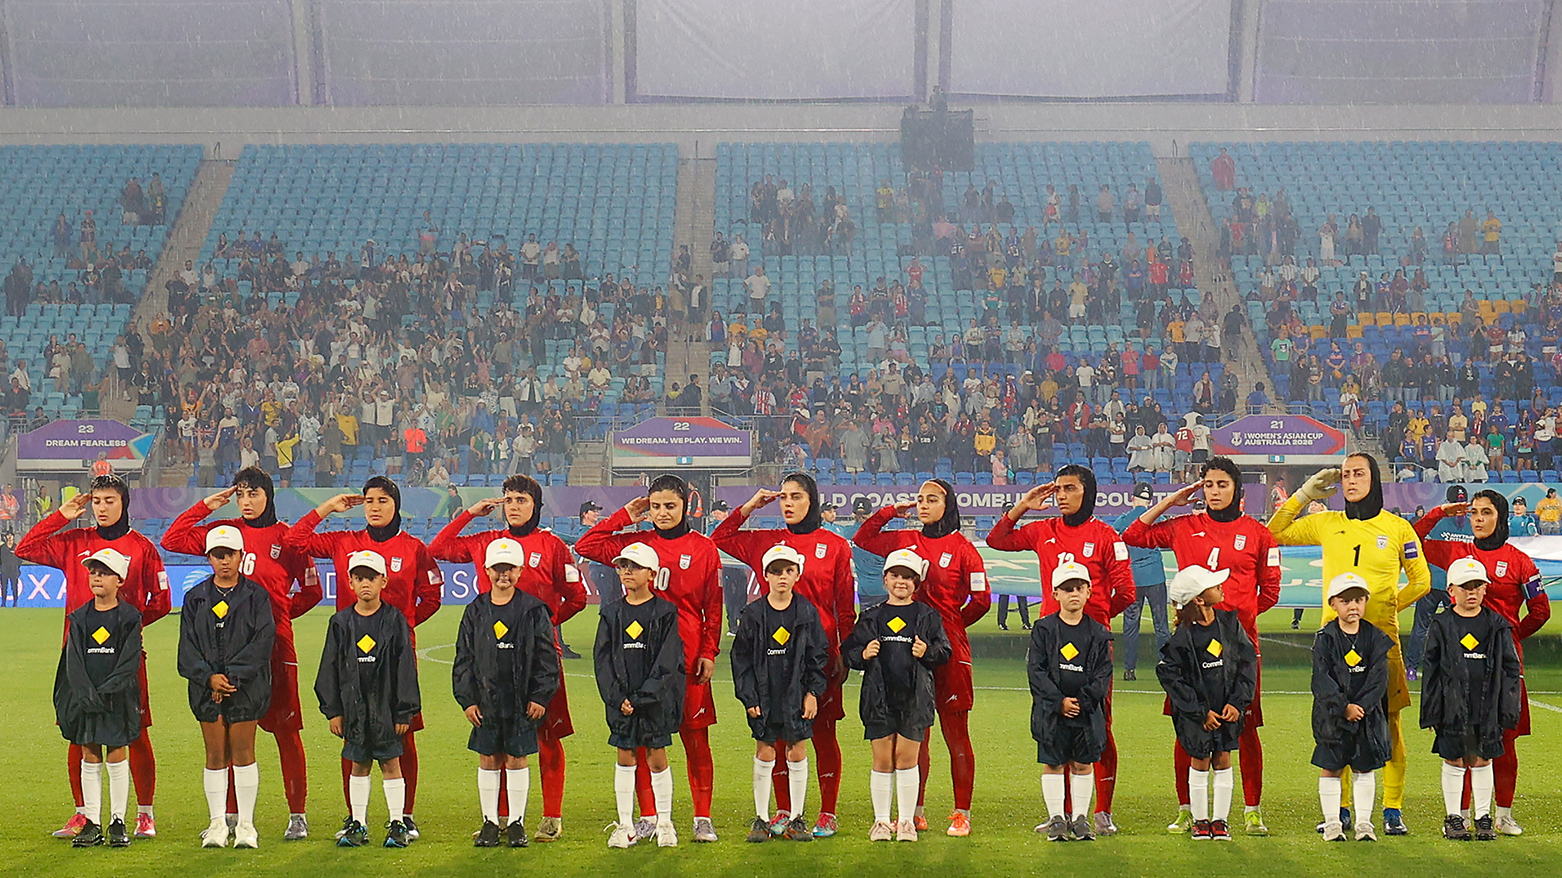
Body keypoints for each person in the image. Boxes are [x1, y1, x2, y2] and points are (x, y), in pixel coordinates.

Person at [1268, 454, 1430, 836]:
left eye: (1359, 473)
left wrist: (1387, 606)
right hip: (1334, 644)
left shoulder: (1398, 528)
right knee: (1336, 722)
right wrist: (1304, 494)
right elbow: (1273, 532)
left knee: (1388, 724)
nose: (1351, 480)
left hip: (1382, 643)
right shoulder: (1327, 523)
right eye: (1345, 475)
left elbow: (1421, 582)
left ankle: (1392, 808)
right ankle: (1340, 809)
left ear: (1376, 478)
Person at [1123, 457, 1281, 835]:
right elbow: (1133, 535)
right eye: (1208, 484)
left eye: (1221, 484)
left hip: (1239, 650)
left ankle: (1252, 809)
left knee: (1244, 727)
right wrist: (1170, 501)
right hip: (1191, 650)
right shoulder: (1183, 526)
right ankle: (1186, 809)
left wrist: (1231, 627)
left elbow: (1271, 592)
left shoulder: (1259, 534)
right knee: (1189, 727)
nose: (1214, 491)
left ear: (1237, 489)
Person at [161, 468, 322, 840]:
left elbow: (312, 590)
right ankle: (230, 815)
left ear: (268, 495)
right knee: (231, 734)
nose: (246, 502)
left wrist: (274, 614)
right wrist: (206, 505)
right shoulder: (225, 533)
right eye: (241, 496)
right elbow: (172, 538)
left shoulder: (286, 537)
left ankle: (297, 814)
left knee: (286, 732)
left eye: (254, 494)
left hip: (276, 648)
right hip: (224, 653)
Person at [430, 474, 586, 842]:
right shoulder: (486, 542)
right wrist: (470, 512)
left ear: (536, 505)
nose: (514, 506)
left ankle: (551, 816)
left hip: (538, 664)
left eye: (522, 500)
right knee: (495, 740)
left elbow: (576, 597)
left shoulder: (552, 546)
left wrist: (544, 629)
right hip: (491, 664)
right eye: (509, 499)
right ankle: (499, 818)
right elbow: (438, 547)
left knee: (547, 738)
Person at [285, 476, 442, 841]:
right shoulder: (345, 542)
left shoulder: (414, 548)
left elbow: (432, 595)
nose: (374, 506)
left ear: (396, 505)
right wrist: (327, 507)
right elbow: (294, 542)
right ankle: (354, 817)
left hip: (395, 659)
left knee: (404, 736)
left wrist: (402, 630)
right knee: (352, 738)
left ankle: (405, 815)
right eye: (369, 500)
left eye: (383, 500)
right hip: (350, 658)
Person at [21, 474, 169, 839]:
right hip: (76, 658)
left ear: (124, 504)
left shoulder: (142, 547)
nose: (102, 507)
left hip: (125, 660)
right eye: (97, 501)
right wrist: (62, 515)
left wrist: (129, 628)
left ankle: (144, 814)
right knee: (78, 732)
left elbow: (162, 601)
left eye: (109, 500)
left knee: (135, 732)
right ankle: (83, 814)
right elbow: (25, 548)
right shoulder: (74, 541)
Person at [576, 475, 723, 843]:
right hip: (638, 660)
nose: (661, 513)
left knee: (694, 737)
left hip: (685, 659)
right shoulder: (636, 545)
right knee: (641, 738)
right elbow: (587, 543)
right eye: (655, 506)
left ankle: (702, 817)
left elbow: (714, 608)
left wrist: (708, 651)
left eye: (670, 506)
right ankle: (647, 816)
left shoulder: (703, 549)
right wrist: (625, 515)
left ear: (685, 506)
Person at [986, 466, 1133, 835]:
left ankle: (1101, 811)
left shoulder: (1105, 535)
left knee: (1098, 726)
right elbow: (997, 539)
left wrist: (1093, 625)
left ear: (1089, 492)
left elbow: (1127, 592)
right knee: (1054, 725)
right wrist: (1023, 506)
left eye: (1070, 489)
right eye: (1058, 490)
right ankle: (1061, 814)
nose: (1061, 496)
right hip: (1050, 646)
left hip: (1091, 648)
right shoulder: (1044, 530)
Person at [712, 474, 855, 837]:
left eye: (796, 497)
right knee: (774, 735)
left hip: (816, 659)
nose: (787, 504)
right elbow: (720, 538)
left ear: (813, 501)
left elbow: (843, 606)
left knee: (822, 733)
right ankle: (783, 810)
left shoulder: (835, 546)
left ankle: (826, 811)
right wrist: (748, 507)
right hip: (770, 658)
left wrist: (843, 650)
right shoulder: (766, 542)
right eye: (783, 498)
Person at [853, 480, 989, 837]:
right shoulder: (904, 540)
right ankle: (916, 811)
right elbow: (863, 539)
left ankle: (962, 813)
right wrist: (888, 513)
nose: (923, 505)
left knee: (956, 733)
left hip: (949, 653)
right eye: (920, 500)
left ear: (949, 504)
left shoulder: (963, 548)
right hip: (907, 654)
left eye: (932, 499)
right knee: (918, 733)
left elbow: (982, 599)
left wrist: (951, 626)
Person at [1412, 490, 1549, 835]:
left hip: (1502, 668)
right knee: (1461, 739)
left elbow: (1540, 610)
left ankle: (1501, 815)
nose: (1477, 518)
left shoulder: (1520, 561)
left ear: (1500, 518)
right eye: (1473, 512)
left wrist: (1511, 638)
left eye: (1485, 512)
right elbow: (1412, 538)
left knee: (1504, 742)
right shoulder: (1459, 551)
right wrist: (1441, 511)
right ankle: (1457, 816)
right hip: (1460, 666)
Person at [452, 538, 561, 849]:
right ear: (486, 570)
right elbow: (464, 658)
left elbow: (546, 657)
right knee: (488, 758)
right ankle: (489, 822)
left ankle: (516, 823)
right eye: (498, 568)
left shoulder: (533, 609)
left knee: (516, 759)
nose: (504, 574)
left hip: (521, 701)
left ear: (520, 570)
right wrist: (468, 699)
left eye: (509, 568)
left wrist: (540, 696)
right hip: (485, 701)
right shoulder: (476, 610)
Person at [313, 550, 421, 849]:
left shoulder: (394, 619)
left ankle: (397, 823)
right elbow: (329, 668)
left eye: (371, 578)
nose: (365, 584)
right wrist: (333, 711)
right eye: (359, 578)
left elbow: (405, 668)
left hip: (386, 709)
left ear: (383, 581)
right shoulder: (340, 622)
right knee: (358, 764)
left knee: (391, 763)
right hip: (354, 710)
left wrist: (404, 712)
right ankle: (358, 824)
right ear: (349, 581)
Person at [842, 548, 951, 842]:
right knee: (882, 760)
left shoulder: (927, 615)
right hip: (878, 697)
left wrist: (927, 652)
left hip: (915, 697)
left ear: (916, 582)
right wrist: (863, 654)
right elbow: (849, 652)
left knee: (906, 759)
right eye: (895, 576)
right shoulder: (872, 616)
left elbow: (944, 651)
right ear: (885, 579)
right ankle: (880, 822)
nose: (901, 581)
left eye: (908, 577)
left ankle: (905, 822)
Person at [178, 526, 276, 849]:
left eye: (229, 555)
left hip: (246, 688)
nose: (224, 562)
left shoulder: (257, 596)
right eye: (217, 556)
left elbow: (263, 642)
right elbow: (187, 649)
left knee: (244, 752)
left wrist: (230, 677)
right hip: (206, 689)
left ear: (241, 556)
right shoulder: (195, 598)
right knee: (215, 754)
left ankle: (246, 826)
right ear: (209, 558)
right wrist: (209, 678)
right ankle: (217, 824)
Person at [1420, 558, 1523, 841]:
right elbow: (1431, 669)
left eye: (1477, 586)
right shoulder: (1441, 624)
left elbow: (1510, 669)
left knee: (1481, 760)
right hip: (1451, 706)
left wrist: (1508, 709)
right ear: (1451, 589)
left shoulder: (1496, 625)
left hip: (1487, 705)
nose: (1472, 592)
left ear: (1486, 589)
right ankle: (1454, 818)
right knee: (1454, 759)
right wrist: (1431, 712)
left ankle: (1483, 818)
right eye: (1465, 587)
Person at [732, 545, 829, 844]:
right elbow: (741, 660)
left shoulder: (806, 612)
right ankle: (761, 819)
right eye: (776, 571)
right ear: (765, 576)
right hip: (763, 694)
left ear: (797, 574)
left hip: (796, 694)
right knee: (765, 750)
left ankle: (797, 818)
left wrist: (813, 692)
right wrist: (749, 698)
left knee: (797, 749)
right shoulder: (753, 613)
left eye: (788, 571)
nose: (782, 577)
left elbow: (818, 656)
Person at [1156, 565, 1257, 842]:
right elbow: (1170, 676)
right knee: (1200, 759)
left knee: (1223, 758)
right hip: (1197, 716)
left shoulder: (1229, 623)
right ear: (1199, 599)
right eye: (1213, 586)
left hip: (1227, 710)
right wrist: (1200, 712)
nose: (1220, 587)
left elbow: (1247, 664)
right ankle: (1201, 821)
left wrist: (1238, 702)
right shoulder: (1181, 638)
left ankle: (1220, 821)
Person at [595, 543, 685, 849]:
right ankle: (625, 825)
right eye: (622, 566)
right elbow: (603, 660)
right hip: (621, 703)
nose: (627, 572)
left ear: (652, 573)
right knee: (625, 757)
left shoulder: (665, 612)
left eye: (634, 566)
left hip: (654, 702)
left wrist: (643, 696)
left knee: (657, 759)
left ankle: (665, 823)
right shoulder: (610, 613)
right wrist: (617, 697)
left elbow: (668, 660)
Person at [53, 548, 142, 848]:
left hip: (118, 699)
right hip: (87, 700)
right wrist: (86, 694)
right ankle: (92, 822)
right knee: (89, 754)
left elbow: (129, 662)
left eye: (103, 572)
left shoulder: (130, 617)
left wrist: (106, 691)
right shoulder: (79, 618)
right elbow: (73, 662)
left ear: (120, 580)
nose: (96, 577)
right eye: (93, 572)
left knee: (116, 752)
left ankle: (118, 821)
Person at [1029, 560, 1113, 842]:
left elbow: (1103, 674)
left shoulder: (1098, 632)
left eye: (1079, 587)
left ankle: (1080, 818)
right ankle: (1056, 818)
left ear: (1089, 591)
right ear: (1055, 594)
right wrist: (1058, 702)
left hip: (1086, 713)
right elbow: (1036, 671)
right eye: (1067, 589)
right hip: (1051, 713)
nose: (1073, 593)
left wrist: (1082, 701)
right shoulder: (1043, 629)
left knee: (1082, 763)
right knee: (1053, 763)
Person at [1312, 572, 1394, 842]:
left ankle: (1364, 823)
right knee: (1331, 768)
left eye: (1358, 599)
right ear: (1333, 603)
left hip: (1366, 719)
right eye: (1345, 600)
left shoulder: (1376, 638)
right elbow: (1321, 680)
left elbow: (1379, 680)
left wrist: (1361, 706)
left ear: (1366, 601)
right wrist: (1343, 706)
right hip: (1332, 720)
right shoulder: (1325, 638)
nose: (1353, 606)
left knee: (1364, 767)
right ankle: (1332, 822)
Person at [1404, 486, 1466, 682]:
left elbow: (1413, 536)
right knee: (1459, 627)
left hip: (1433, 584)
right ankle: (1458, 665)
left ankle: (1412, 668)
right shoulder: (1471, 524)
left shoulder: (1434, 522)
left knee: (1421, 628)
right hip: (1453, 586)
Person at [1114, 483, 1168, 682]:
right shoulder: (1157, 518)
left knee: (1130, 624)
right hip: (1155, 576)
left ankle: (1129, 669)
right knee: (1161, 623)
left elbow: (1111, 539)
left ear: (1132, 499)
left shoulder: (1123, 520)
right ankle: (1165, 664)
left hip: (1133, 578)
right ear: (1150, 501)